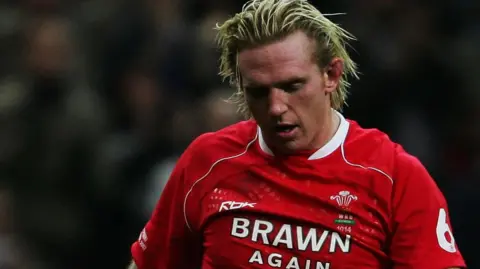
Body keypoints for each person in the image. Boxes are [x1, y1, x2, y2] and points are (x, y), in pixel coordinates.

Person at [129, 0, 466, 268]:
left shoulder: (394, 178)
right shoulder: (209, 161)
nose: (276, 107)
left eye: (292, 86)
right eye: (258, 92)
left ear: (331, 75)